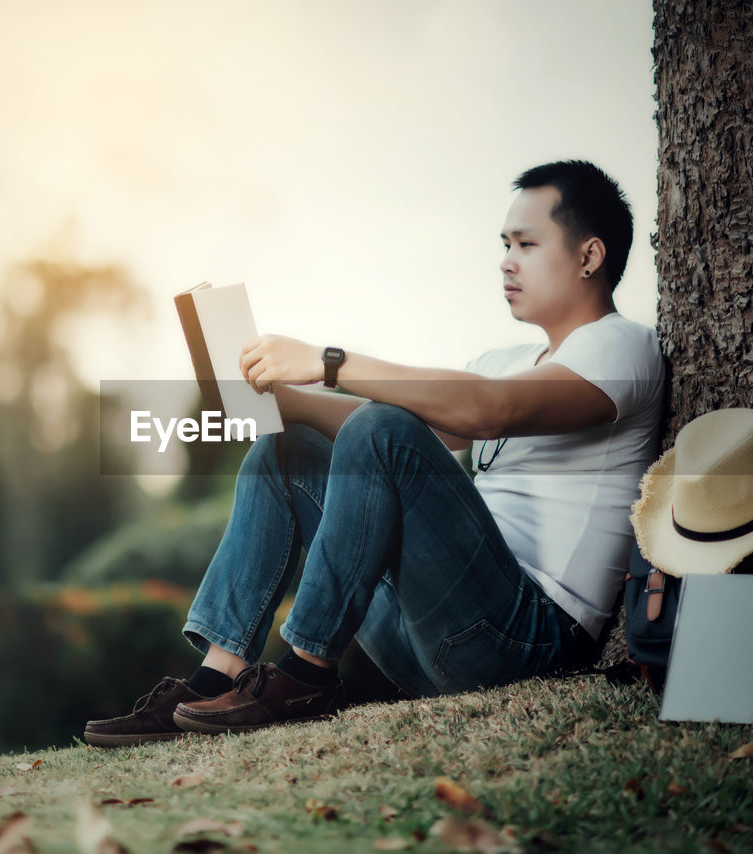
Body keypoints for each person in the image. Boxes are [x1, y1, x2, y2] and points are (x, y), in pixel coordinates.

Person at [84, 159, 665, 746]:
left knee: (383, 427)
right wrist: (283, 400)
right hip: (435, 635)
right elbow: (415, 435)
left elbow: (488, 412)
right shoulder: (501, 363)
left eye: (528, 243)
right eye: (505, 243)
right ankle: (216, 677)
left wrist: (330, 362)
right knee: (284, 453)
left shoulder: (622, 348)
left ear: (589, 257)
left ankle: (305, 672)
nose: (507, 261)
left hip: (527, 639)